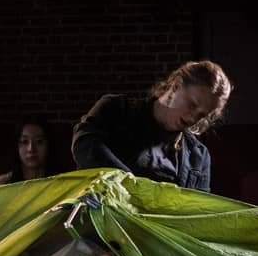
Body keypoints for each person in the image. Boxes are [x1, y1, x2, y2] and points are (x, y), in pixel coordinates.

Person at [72, 60, 231, 192]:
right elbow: (85, 145)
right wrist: (135, 188)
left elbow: (198, 211)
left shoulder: (198, 156)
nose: (193, 118)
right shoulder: (116, 109)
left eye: (202, 114)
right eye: (192, 104)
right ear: (176, 86)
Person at [0, 117, 57, 186]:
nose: (31, 149)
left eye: (39, 141)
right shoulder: (2, 184)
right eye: (25, 142)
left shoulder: (60, 183)